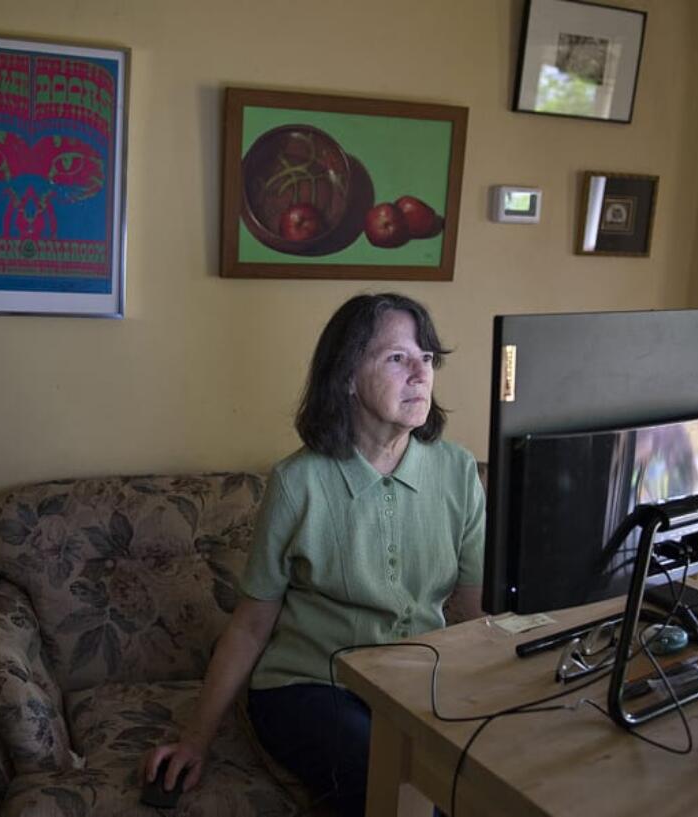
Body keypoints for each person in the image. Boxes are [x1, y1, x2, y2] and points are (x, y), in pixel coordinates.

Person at [141, 292, 485, 816]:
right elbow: (251, 625)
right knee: (393, 782)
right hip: (312, 687)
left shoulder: (459, 472)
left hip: (415, 688)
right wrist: (195, 739)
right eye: (397, 358)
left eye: (428, 358)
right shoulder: (297, 482)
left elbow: (472, 611)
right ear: (347, 376)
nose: (420, 374)